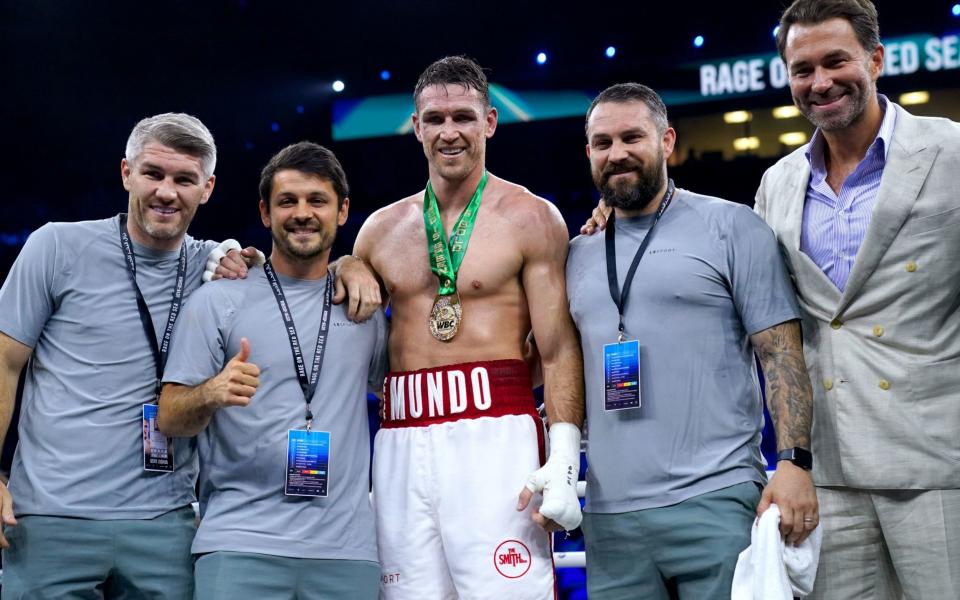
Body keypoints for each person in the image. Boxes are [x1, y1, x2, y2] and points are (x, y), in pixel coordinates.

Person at [333, 56, 585, 599]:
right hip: (399, 438)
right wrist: (342, 264)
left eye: (464, 117)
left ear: (489, 122)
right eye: (436, 118)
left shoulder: (531, 218)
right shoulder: (378, 231)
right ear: (417, 127)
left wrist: (565, 457)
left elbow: (559, 348)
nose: (450, 132)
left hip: (494, 434)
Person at [571, 83, 818, 599]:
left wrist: (793, 461)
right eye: (602, 142)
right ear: (589, 152)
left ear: (667, 141)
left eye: (632, 137)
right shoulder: (576, 253)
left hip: (717, 498)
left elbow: (781, 354)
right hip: (610, 516)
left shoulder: (733, 226)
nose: (617, 153)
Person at [754, 0, 960, 596]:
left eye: (835, 61)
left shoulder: (949, 152)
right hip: (827, 471)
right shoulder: (778, 182)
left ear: (875, 59)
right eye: (802, 69)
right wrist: (627, 213)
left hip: (938, 461)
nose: (820, 82)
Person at [0, 113, 248, 598]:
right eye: (153, 173)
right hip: (51, 519)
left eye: (184, 179)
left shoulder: (215, 267)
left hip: (166, 522)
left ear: (208, 187)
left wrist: (351, 264)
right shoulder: (55, 247)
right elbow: (4, 362)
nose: (166, 192)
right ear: (125, 172)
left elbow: (292, 269)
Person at [158, 142, 386, 599]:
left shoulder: (365, 307)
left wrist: (354, 262)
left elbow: (400, 395)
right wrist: (211, 393)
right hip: (240, 546)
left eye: (316, 201)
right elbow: (169, 416)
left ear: (342, 211)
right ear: (265, 213)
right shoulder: (218, 300)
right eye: (288, 201)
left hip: (347, 552)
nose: (302, 213)